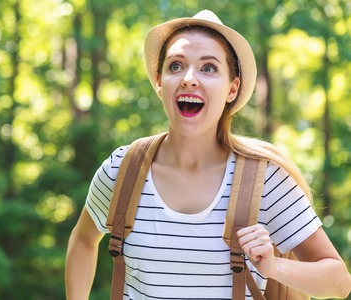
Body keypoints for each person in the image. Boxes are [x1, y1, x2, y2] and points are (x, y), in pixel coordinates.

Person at [65, 9, 351, 299]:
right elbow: (84, 240)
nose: (189, 78)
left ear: (232, 89)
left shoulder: (264, 180)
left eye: (209, 68)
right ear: (159, 82)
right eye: (176, 66)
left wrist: (274, 266)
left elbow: (339, 282)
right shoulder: (123, 170)